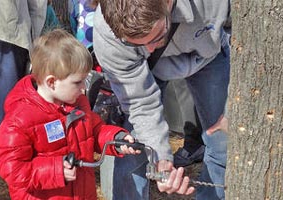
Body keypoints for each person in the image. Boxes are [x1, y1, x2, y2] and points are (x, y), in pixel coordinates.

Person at [92, 0, 230, 199]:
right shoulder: (107, 35)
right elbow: (140, 103)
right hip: (146, 70)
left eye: (157, 36)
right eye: (135, 43)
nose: (149, 49)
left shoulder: (213, 4)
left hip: (209, 55)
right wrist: (160, 161)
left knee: (222, 143)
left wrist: (232, 107)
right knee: (135, 147)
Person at [0, 29, 141, 200]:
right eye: (77, 82)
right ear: (52, 82)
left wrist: (116, 139)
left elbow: (94, 131)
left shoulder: (78, 103)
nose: (83, 88)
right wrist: (55, 171)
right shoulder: (20, 119)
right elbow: (11, 167)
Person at [0, 0, 47, 179]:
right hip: (5, 30)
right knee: (9, 108)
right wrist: (33, 39)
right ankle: (13, 167)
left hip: (4, 29)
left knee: (4, 109)